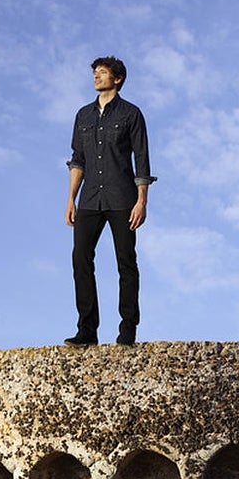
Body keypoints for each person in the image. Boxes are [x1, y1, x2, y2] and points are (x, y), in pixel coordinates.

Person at [64, 56, 157, 346]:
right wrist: (71, 199)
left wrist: (141, 201)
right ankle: (87, 330)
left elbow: (142, 158)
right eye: (95, 72)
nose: (96, 76)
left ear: (117, 78)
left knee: (125, 262)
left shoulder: (131, 114)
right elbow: (78, 160)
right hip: (90, 198)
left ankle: (128, 329)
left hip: (122, 198)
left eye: (102, 72)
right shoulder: (83, 115)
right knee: (80, 257)